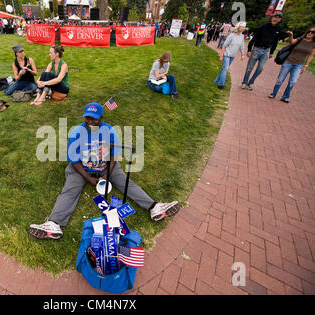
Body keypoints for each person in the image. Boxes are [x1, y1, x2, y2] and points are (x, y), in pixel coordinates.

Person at [28, 103, 181, 239]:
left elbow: (113, 156)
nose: (90, 121)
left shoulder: (109, 130)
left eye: (94, 118)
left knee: (126, 182)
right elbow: (74, 161)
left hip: (106, 167)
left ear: (101, 117)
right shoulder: (76, 133)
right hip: (81, 168)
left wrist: (107, 175)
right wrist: (89, 179)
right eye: (87, 118)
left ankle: (155, 207)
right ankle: (53, 224)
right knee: (70, 190)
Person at [269, 26, 315, 103]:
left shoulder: (313, 44)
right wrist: (291, 35)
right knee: (280, 80)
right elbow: (292, 42)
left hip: (298, 65)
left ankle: (285, 97)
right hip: (288, 62)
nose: (310, 33)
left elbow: (311, 55)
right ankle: (273, 93)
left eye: (313, 32)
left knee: (292, 81)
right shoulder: (300, 39)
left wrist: (305, 66)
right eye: (309, 31)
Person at [241, 12, 282, 90]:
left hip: (266, 51)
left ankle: (251, 82)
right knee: (250, 67)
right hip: (257, 49)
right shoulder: (264, 26)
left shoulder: (278, 29)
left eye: (278, 18)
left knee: (260, 68)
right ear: (272, 18)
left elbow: (275, 41)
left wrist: (271, 52)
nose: (275, 19)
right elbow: (254, 37)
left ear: (279, 19)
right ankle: (244, 82)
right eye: (274, 17)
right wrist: (249, 49)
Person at [214, 22, 246, 89]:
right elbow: (224, 45)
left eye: (244, 27)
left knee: (224, 69)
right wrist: (221, 55)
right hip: (227, 54)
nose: (244, 28)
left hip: (232, 56)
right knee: (225, 69)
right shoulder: (231, 35)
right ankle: (221, 84)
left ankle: (216, 80)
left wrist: (242, 54)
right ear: (238, 27)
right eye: (243, 27)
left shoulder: (242, 36)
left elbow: (242, 46)